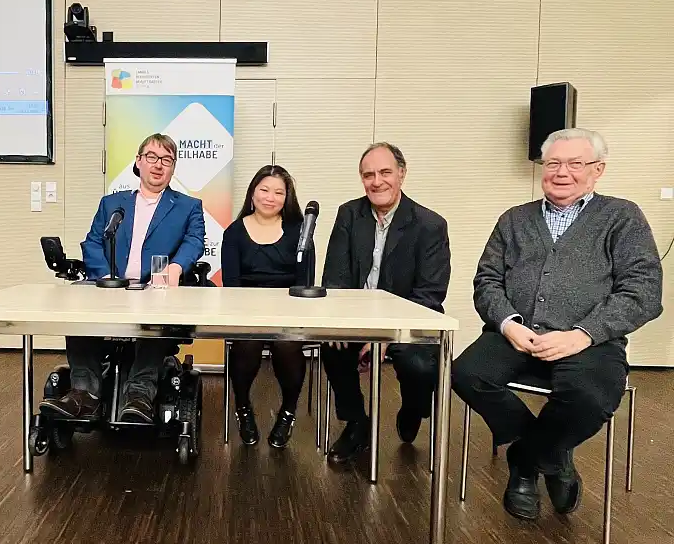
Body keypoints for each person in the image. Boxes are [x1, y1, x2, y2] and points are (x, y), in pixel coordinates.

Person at [453, 128, 663, 521]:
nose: (561, 172)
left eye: (575, 163)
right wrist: (508, 323)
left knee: (588, 397)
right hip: (518, 334)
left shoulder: (622, 217)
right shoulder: (514, 220)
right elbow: (487, 280)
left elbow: (644, 291)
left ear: (597, 170)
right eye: (553, 163)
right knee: (467, 374)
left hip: (590, 341)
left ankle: (526, 460)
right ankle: (553, 453)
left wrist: (583, 334)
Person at [41, 133, 206, 424]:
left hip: (154, 288)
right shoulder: (112, 204)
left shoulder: (188, 206)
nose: (158, 165)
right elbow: (92, 242)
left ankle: (140, 395)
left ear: (173, 168)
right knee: (77, 307)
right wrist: (105, 277)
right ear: (139, 161)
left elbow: (194, 241)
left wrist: (177, 267)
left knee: (158, 315)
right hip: (109, 286)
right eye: (152, 157)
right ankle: (85, 394)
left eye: (166, 160)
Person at [320, 142, 451, 467]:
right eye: (368, 175)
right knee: (333, 346)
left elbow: (430, 295)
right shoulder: (349, 214)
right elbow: (335, 279)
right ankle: (356, 423)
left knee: (418, 365)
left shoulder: (430, 225)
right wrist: (344, 325)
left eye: (385, 172)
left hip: (409, 320)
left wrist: (386, 338)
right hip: (356, 318)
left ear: (402, 174)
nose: (376, 181)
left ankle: (413, 408)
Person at [221, 165, 313, 449]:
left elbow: (304, 282)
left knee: (287, 345)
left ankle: (287, 411)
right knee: (247, 344)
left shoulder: (300, 231)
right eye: (264, 190)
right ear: (252, 192)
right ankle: (243, 408)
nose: (270, 197)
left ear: (287, 198)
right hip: (246, 312)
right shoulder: (235, 232)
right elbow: (232, 285)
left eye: (278, 192)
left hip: (288, 312)